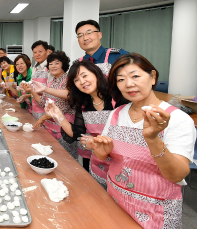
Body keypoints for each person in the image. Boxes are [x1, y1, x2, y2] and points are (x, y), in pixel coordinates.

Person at [91, 53, 195, 228]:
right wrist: (101, 153)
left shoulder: (177, 119)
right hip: (116, 200)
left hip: (156, 211)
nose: (129, 84)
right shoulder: (117, 114)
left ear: (153, 77)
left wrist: (153, 138)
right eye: (121, 79)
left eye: (135, 76)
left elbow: (177, 175)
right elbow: (107, 157)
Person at [42, 60, 127, 188]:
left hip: (122, 170)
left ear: (96, 74)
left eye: (84, 75)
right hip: (98, 167)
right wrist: (58, 115)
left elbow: (128, 138)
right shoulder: (83, 103)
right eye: (76, 80)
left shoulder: (118, 98)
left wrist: (96, 141)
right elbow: (76, 133)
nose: (81, 82)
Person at [30, 51, 78, 160]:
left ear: (63, 65)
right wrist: (31, 90)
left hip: (64, 128)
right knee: (51, 158)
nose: (53, 66)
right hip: (50, 126)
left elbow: (61, 107)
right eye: (50, 64)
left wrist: (42, 118)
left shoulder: (68, 81)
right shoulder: (51, 82)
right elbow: (42, 103)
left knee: (65, 159)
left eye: (57, 63)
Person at [30, 41, 50, 120]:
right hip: (35, 106)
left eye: (40, 51)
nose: (37, 54)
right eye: (35, 52)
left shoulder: (50, 66)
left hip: (46, 108)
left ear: (47, 52)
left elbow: (51, 89)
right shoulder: (35, 66)